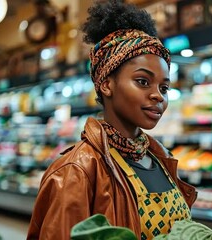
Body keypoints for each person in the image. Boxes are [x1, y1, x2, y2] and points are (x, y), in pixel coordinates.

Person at [27, 1, 197, 239]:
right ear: (106, 84)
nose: (158, 95)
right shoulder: (77, 170)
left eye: (164, 87)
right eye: (143, 81)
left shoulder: (160, 159)